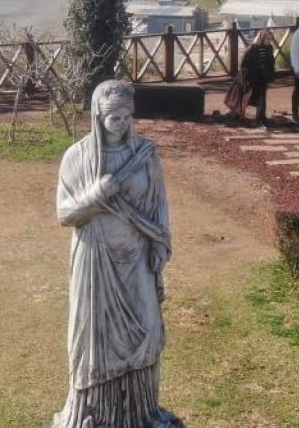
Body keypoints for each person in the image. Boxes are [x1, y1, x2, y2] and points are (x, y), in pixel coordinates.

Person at [52, 80, 184, 428]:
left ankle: (141, 413)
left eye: (127, 115)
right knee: (95, 345)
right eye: (114, 117)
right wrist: (93, 196)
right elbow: (65, 214)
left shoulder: (145, 154)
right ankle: (92, 416)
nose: (123, 123)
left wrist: (158, 244)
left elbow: (159, 206)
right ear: (98, 115)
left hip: (137, 259)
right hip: (95, 261)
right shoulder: (77, 157)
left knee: (146, 333)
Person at [224, 29, 274, 127]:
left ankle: (260, 120)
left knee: (261, 99)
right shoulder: (252, 48)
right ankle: (235, 115)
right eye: (267, 39)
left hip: (262, 77)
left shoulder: (269, 48)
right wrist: (246, 78)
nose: (269, 41)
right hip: (249, 77)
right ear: (262, 38)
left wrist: (269, 75)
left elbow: (271, 63)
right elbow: (244, 63)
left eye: (270, 39)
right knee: (241, 97)